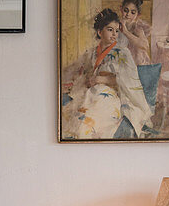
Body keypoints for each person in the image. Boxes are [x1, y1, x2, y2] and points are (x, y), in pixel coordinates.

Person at [62, 8, 153, 140]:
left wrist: (100, 79)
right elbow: (80, 71)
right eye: (110, 30)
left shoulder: (122, 52)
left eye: (116, 31)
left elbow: (126, 79)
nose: (114, 34)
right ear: (100, 32)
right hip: (90, 92)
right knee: (77, 117)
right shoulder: (92, 52)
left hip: (110, 94)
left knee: (89, 122)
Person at [118, 0, 152, 66]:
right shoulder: (116, 25)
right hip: (122, 61)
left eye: (132, 12)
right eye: (126, 10)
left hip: (137, 62)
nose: (128, 14)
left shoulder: (137, 27)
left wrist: (126, 32)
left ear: (138, 15)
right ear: (121, 9)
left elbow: (145, 46)